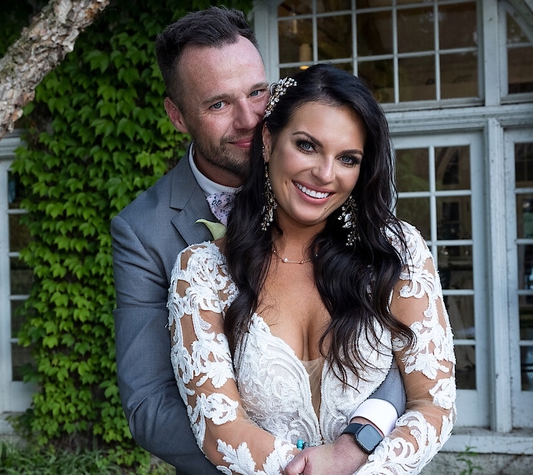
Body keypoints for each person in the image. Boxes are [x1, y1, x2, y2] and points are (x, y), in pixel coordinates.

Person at [111, 8, 406, 474]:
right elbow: (150, 406)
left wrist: (356, 446)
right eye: (218, 105)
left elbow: (397, 344)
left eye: (256, 92)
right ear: (177, 116)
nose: (249, 119)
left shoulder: (329, 184)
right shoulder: (144, 232)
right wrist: (287, 465)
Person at [167, 64, 456, 474]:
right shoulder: (202, 272)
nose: (325, 174)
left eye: (348, 158)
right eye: (307, 146)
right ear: (268, 141)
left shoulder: (397, 251)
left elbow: (433, 403)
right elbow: (220, 429)